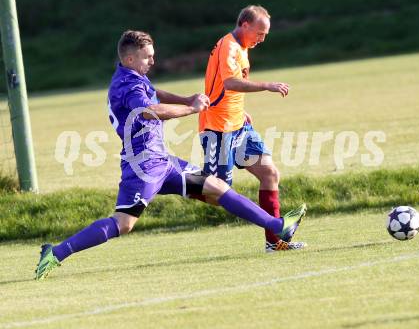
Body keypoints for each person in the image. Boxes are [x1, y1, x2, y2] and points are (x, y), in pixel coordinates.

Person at [35, 30, 306, 280]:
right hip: (144, 167)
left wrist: (186, 99)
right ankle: (56, 253)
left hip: (162, 162)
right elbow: (151, 110)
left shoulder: (133, 77)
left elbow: (154, 92)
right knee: (124, 223)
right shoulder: (127, 87)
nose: (153, 61)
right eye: (147, 57)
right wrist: (192, 109)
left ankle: (277, 226)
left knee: (217, 187)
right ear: (130, 57)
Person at [199, 5, 301, 252]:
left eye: (265, 34)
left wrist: (239, 110)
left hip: (238, 125)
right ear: (245, 25)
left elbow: (223, 89)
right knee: (217, 193)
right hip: (218, 129)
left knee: (270, 174)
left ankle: (275, 241)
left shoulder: (243, 46)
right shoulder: (230, 47)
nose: (262, 39)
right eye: (259, 33)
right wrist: (267, 85)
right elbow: (231, 82)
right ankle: (176, 182)